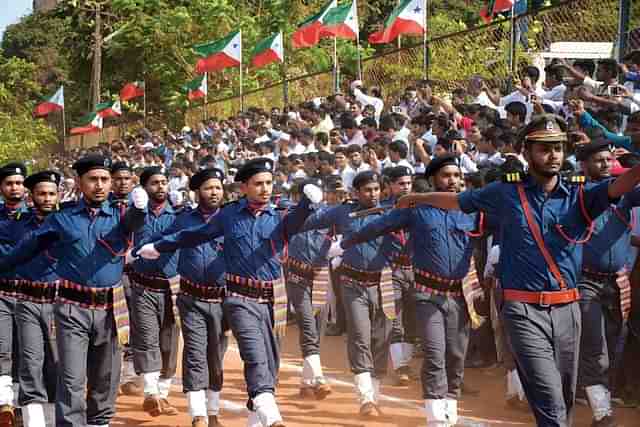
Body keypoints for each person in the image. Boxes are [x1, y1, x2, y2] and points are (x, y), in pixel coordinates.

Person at [394, 114, 640, 427]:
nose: (553, 155)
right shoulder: (504, 193)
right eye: (544, 148)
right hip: (523, 310)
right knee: (548, 393)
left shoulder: (581, 195)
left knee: (562, 399)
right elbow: (458, 201)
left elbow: (622, 184)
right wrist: (416, 198)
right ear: (526, 152)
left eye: (558, 148)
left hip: (568, 309)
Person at [136, 158, 323, 427]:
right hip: (235, 298)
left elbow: (297, 220)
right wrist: (159, 246)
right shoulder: (229, 215)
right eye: (258, 184)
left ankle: (254, 419)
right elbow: (194, 235)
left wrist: (308, 204)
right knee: (247, 354)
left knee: (270, 363)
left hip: (271, 300)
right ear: (244, 187)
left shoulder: (279, 216)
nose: (265, 189)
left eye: (269, 183)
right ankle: (255, 417)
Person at [0, 155, 148, 427]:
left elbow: (134, 224)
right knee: (71, 378)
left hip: (110, 308)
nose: (100, 185)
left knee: (105, 378)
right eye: (93, 179)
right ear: (80, 183)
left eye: (105, 179)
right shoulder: (63, 218)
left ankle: (98, 423)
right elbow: (29, 246)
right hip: (71, 308)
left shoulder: (120, 213)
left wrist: (141, 208)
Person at [333, 157, 482, 426]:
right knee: (435, 353)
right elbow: (380, 225)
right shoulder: (418, 210)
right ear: (434, 179)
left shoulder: (471, 211)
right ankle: (436, 418)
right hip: (427, 294)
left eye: (457, 175)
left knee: (456, 355)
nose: (453, 181)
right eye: (446, 175)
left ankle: (451, 408)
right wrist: (345, 243)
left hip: (460, 296)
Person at [302, 170, 395, 417]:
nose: (373, 194)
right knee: (360, 336)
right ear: (356, 192)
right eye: (367, 190)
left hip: (383, 282)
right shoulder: (343, 211)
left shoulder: (391, 212)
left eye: (376, 189)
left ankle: (375, 393)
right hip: (352, 282)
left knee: (381, 339)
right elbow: (312, 220)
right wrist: (306, 206)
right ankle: (366, 398)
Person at [575, 139, 640, 427]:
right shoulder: (580, 193)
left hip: (616, 282)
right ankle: (602, 412)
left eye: (607, 160)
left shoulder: (625, 196)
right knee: (595, 345)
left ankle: (592, 393)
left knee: (613, 342)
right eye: (597, 160)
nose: (604, 165)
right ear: (584, 165)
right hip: (584, 281)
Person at [171, 168, 228, 427]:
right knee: (195, 352)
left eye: (217, 187)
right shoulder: (183, 220)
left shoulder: (232, 219)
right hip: (191, 298)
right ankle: (198, 413)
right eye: (208, 188)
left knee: (215, 356)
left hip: (222, 300)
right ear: (197, 192)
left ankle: (213, 410)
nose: (214, 192)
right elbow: (164, 242)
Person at [128, 166, 180, 417]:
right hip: (143, 285)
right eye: (154, 183)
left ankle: (164, 393)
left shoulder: (180, 215)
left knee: (169, 342)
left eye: (164, 182)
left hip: (173, 288)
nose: (160, 187)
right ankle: (151, 392)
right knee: (147, 338)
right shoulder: (136, 215)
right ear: (144, 188)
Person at [11, 171, 61, 427]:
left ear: (59, 195)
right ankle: (34, 421)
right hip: (28, 301)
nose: (47, 198)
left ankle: (53, 419)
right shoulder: (18, 224)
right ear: (31, 196)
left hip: (60, 303)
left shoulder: (67, 222)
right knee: (31, 361)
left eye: (52, 193)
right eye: (41, 193)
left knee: (58, 364)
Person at [284, 178, 332, 400]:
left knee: (318, 327)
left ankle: (306, 382)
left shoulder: (329, 214)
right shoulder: (287, 214)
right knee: (306, 323)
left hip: (321, 274)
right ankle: (320, 379)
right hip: (297, 275)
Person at [381, 166, 417, 386]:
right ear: (391, 186)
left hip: (416, 269)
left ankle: (407, 362)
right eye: (401, 183)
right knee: (394, 317)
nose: (406, 187)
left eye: (408, 183)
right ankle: (400, 365)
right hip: (391, 269)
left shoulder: (420, 208)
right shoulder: (383, 211)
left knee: (413, 319)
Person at [0, 162, 28, 426]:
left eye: (19, 183)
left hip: (31, 294)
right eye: (9, 183)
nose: (15, 188)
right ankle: (4, 402)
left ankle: (20, 405)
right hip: (2, 292)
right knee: (2, 348)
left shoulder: (36, 216)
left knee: (28, 352)